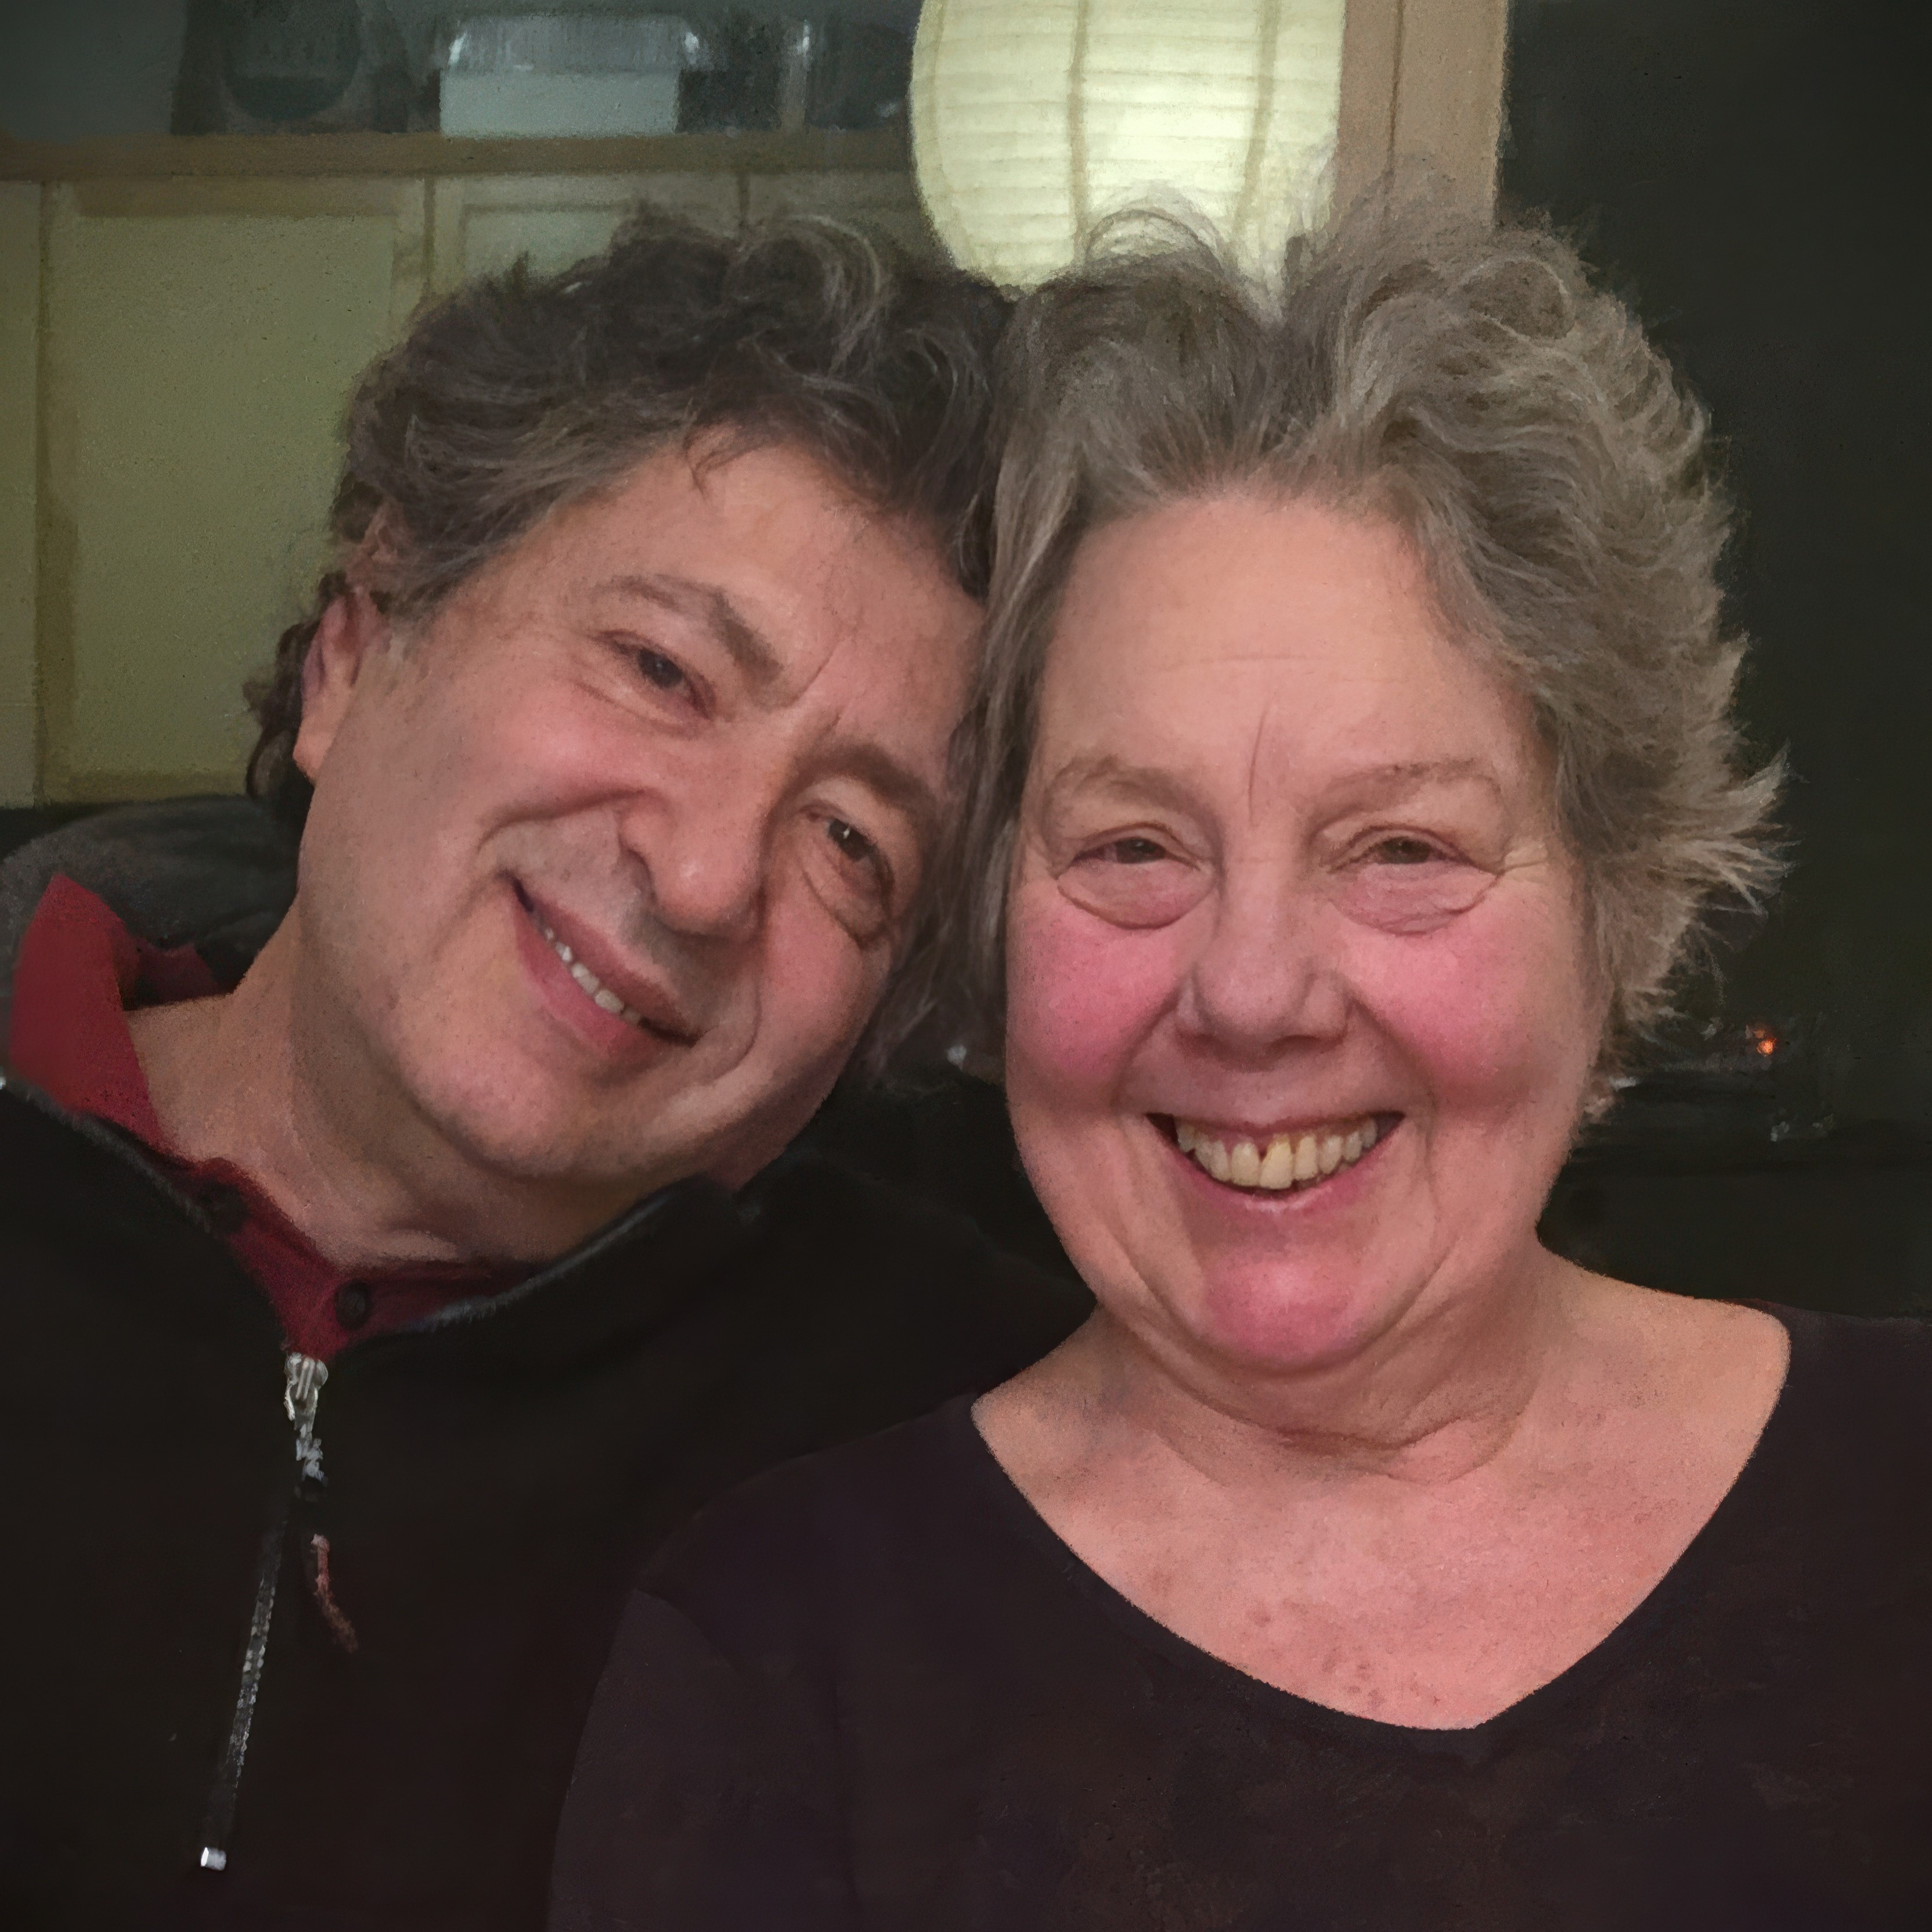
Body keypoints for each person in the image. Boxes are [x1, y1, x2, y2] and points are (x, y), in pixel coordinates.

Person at [552, 197, 1932, 1930]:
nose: (1254, 991)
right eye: (1133, 847)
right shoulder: (779, 1663)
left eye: (1402, 849)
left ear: (1619, 899)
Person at [0, 208, 1088, 1932]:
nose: (709, 877)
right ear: (358, 649)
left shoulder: (962, 1448)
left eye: (855, 845)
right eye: (661, 670)